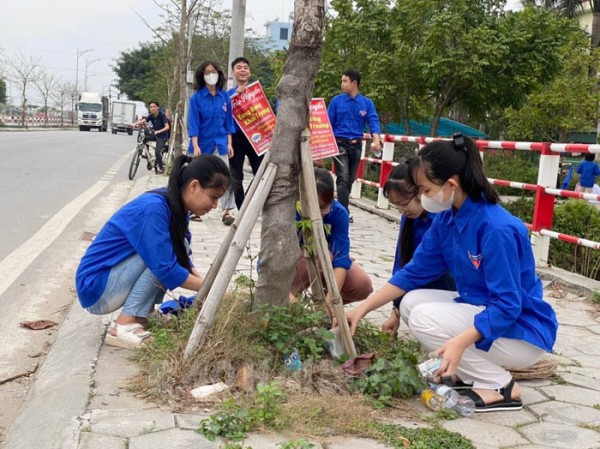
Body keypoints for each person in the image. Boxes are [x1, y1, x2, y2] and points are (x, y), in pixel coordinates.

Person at [345, 133, 557, 413]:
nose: (422, 198)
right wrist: (362, 310)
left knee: (423, 318)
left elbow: (508, 305)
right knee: (410, 302)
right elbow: (413, 273)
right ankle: (466, 373)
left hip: (521, 331)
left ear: (451, 184)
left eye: (425, 190)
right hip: (486, 312)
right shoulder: (447, 219)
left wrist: (458, 343)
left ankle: (502, 387)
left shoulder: (496, 229)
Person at [75, 155, 231, 349]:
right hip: (95, 288)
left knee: (174, 247)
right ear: (194, 186)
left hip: (111, 282)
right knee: (161, 260)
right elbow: (166, 269)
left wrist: (210, 285)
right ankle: (125, 324)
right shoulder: (154, 208)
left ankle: (143, 314)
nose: (215, 206)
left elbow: (184, 261)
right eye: (213, 197)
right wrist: (212, 288)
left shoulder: (176, 208)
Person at [380, 163, 456, 335]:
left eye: (404, 204)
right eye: (396, 205)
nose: (401, 210)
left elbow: (420, 269)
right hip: (423, 279)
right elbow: (402, 262)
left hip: (452, 286)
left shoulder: (442, 219)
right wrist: (395, 309)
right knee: (408, 303)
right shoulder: (410, 219)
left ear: (422, 192)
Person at [291, 168, 373, 304]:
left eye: (322, 206)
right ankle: (290, 302)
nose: (317, 214)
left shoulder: (338, 213)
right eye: (312, 207)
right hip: (295, 266)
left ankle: (323, 307)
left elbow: (341, 259)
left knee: (362, 285)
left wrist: (331, 302)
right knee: (321, 254)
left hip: (328, 263)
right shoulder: (292, 211)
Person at [188, 60, 236, 225]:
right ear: (202, 76)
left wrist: (229, 143)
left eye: (213, 71)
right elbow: (193, 123)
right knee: (198, 177)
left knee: (226, 175)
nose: (211, 75)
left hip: (221, 142)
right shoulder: (196, 98)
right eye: (207, 72)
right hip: (202, 143)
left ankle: (227, 210)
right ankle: (194, 209)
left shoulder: (224, 97)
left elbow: (228, 122)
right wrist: (195, 144)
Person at [327, 70, 382, 217]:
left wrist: (376, 140)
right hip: (339, 144)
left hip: (357, 145)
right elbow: (328, 124)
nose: (342, 84)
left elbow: (373, 122)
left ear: (354, 83)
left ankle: (339, 207)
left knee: (350, 179)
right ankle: (343, 213)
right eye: (342, 81)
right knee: (343, 177)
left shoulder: (366, 103)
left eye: (345, 81)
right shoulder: (336, 101)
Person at [227, 57, 264, 210]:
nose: (242, 70)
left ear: (249, 72)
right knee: (236, 176)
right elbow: (221, 111)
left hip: (255, 138)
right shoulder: (227, 95)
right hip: (235, 138)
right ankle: (241, 208)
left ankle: (248, 203)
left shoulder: (257, 92)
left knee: (260, 173)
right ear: (233, 72)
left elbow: (265, 114)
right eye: (239, 67)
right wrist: (235, 95)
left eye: (245, 67)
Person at [133, 101, 170, 174]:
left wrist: (159, 131)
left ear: (157, 107)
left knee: (157, 152)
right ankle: (148, 158)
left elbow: (167, 127)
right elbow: (144, 120)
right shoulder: (151, 115)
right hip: (155, 134)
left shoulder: (162, 115)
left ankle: (161, 168)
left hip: (162, 136)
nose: (152, 108)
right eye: (151, 107)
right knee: (145, 138)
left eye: (154, 107)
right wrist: (134, 124)